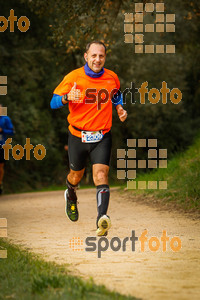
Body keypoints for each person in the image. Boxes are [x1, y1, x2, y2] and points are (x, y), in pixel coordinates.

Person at [50, 41, 127, 236]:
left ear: (105, 57)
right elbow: (53, 102)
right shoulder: (73, 77)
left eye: (101, 56)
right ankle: (71, 196)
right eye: (93, 56)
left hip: (102, 135)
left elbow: (116, 95)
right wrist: (68, 97)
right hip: (77, 135)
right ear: (86, 56)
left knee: (101, 175)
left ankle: (102, 218)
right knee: (75, 176)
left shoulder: (112, 78)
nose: (97, 59)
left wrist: (119, 108)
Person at [0, 105, 14, 194]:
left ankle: (0, 183)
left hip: (2, 145)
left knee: (0, 166)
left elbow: (12, 131)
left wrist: (2, 130)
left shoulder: (5, 119)